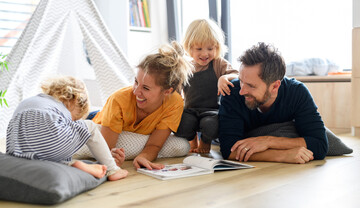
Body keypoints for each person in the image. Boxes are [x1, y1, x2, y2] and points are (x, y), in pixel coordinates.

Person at [219, 42, 328, 164]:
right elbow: (229, 150)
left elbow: (320, 145)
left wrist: (268, 141)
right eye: (241, 81)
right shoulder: (231, 91)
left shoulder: (296, 92)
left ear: (275, 86)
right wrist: (281, 155)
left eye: (251, 85)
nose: (242, 91)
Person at [90, 41, 193, 170]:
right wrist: (110, 157)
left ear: (167, 91)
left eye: (145, 88)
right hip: (101, 127)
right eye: (136, 82)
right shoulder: (118, 100)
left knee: (182, 146)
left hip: (137, 137)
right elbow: (105, 149)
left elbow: (155, 144)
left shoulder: (175, 102)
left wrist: (144, 157)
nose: (136, 91)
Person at [6, 76, 128, 181]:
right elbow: (54, 137)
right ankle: (113, 170)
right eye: (74, 119)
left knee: (43, 157)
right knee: (90, 126)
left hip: (17, 151)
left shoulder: (32, 101)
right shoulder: (59, 108)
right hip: (51, 139)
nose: (72, 123)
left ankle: (70, 164)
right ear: (74, 99)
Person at [174, 19, 239, 153]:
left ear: (217, 47)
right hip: (190, 110)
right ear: (189, 48)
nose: (205, 54)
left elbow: (238, 76)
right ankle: (193, 142)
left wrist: (224, 77)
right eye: (199, 49)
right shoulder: (185, 67)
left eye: (210, 48)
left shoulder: (218, 63)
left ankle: (205, 142)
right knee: (181, 124)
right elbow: (176, 91)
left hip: (211, 111)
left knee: (212, 125)